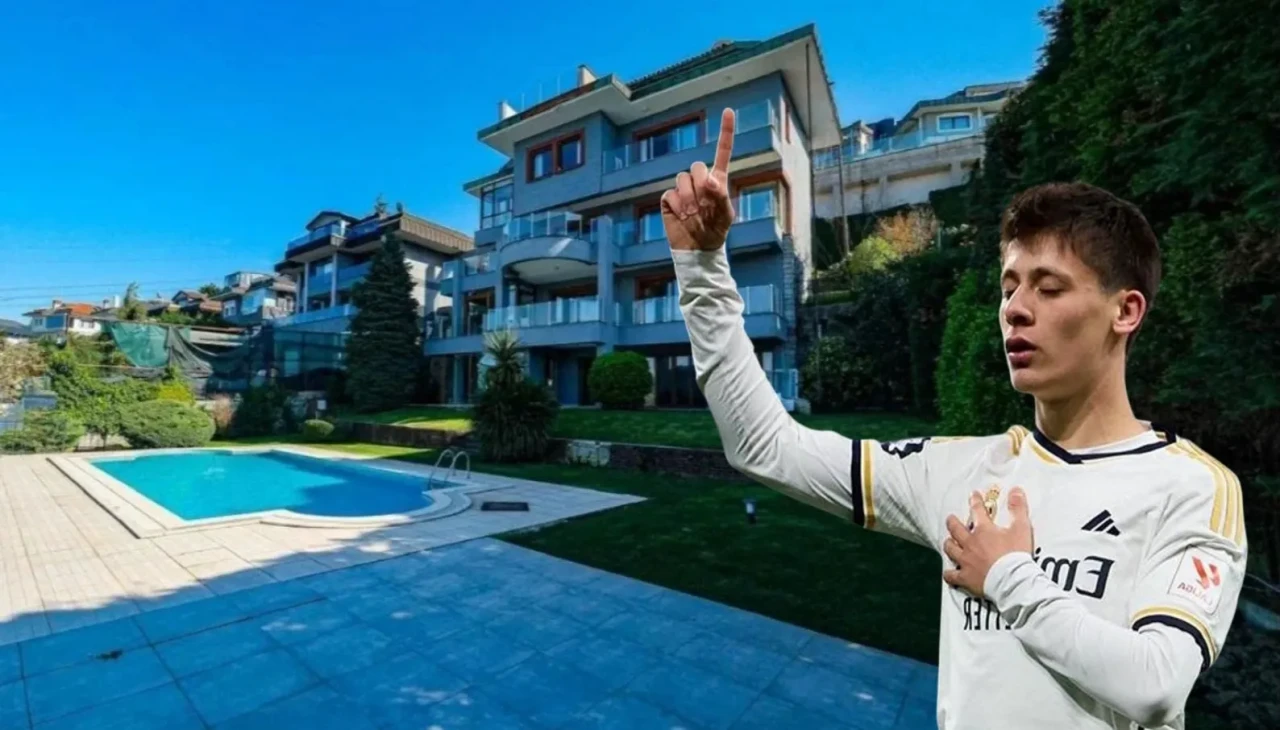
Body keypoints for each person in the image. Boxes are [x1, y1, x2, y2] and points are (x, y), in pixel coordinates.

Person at [661, 107, 1247, 730]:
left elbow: (1156, 685)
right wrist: (701, 269)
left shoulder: (1191, 486)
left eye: (1048, 287)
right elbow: (764, 446)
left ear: (1125, 311)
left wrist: (1008, 576)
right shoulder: (959, 469)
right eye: (1009, 287)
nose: (1015, 309)